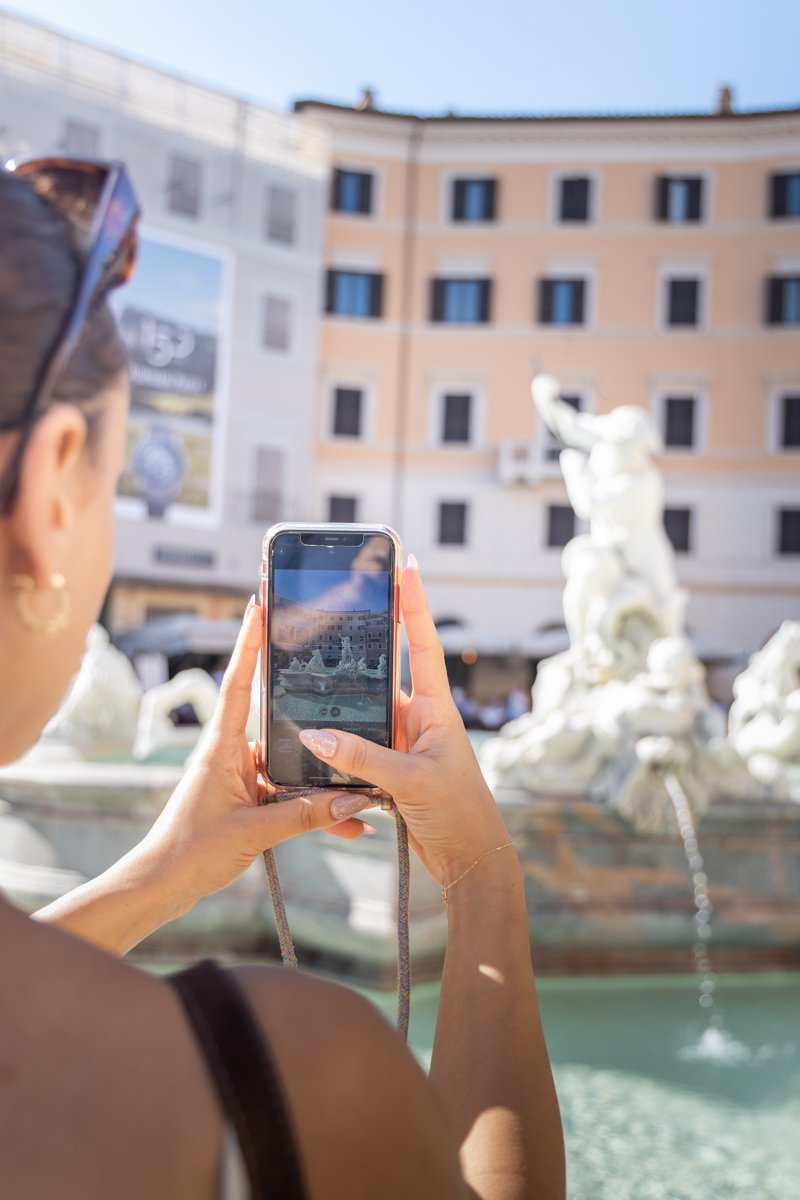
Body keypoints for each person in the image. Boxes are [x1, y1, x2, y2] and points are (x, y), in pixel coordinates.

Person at [0, 161, 565, 1199]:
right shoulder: (292, 1080)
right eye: (116, 475)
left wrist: (163, 871)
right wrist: (486, 885)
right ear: (49, 489)